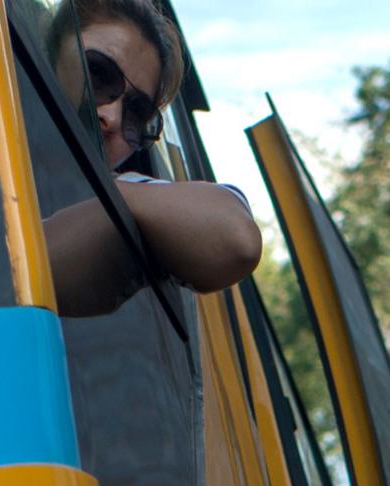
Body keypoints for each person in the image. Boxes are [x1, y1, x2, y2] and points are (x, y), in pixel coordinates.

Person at [41, 0, 263, 317]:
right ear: (48, 51)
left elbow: (237, 239)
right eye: (100, 74)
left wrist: (114, 191)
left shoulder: (134, 204)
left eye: (137, 113)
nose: (113, 118)